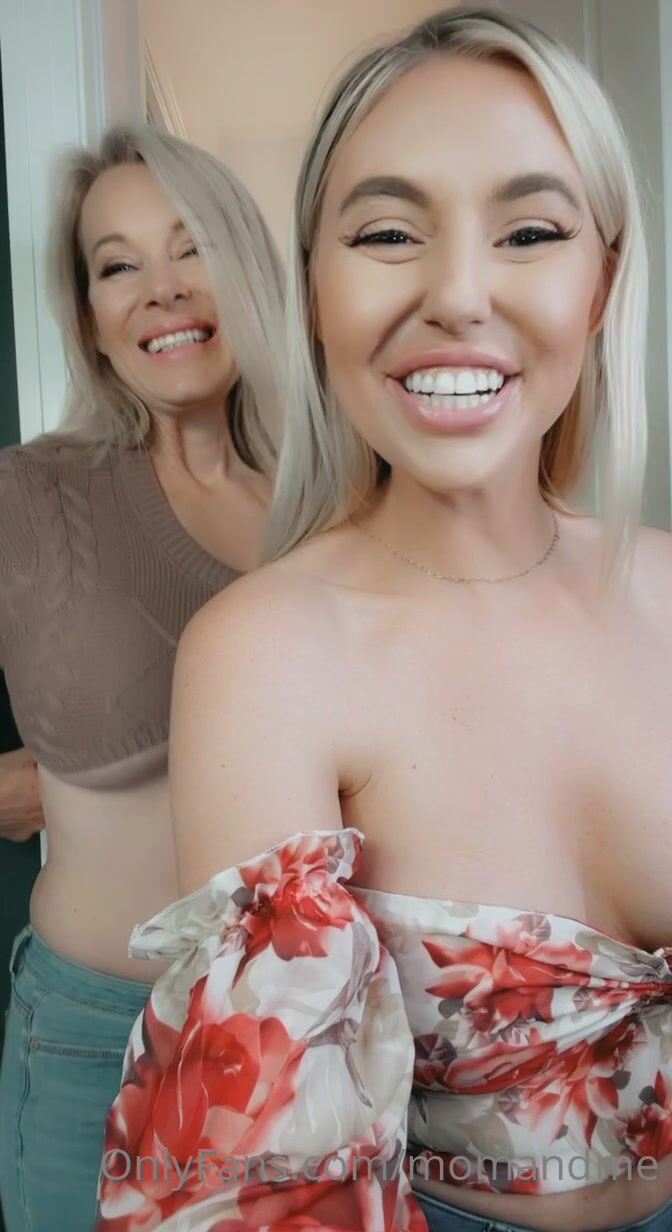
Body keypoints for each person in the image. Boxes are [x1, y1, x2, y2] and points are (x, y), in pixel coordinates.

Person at [96, 8, 672, 1232]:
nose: (457, 294)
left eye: (530, 231)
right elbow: (271, 1190)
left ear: (604, 281)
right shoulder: (269, 651)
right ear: (313, 287)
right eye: (388, 233)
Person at [0, 123, 285, 1232]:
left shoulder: (337, 501)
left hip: (302, 1039)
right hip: (93, 1043)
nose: (161, 288)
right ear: (89, 316)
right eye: (117, 264)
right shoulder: (30, 496)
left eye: (191, 245)